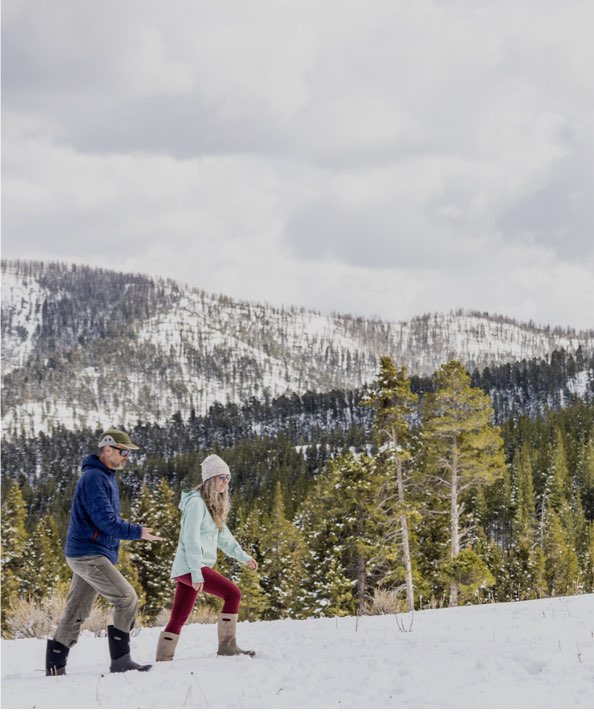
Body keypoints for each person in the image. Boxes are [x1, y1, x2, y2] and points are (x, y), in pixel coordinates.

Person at [45, 428, 164, 676]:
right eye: (123, 452)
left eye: (128, 453)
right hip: (88, 554)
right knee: (126, 598)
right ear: (107, 449)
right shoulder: (94, 479)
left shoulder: (105, 476)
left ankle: (55, 666)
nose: (126, 457)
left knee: (76, 610)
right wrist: (137, 532)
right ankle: (121, 660)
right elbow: (106, 521)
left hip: (88, 552)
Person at [156, 454, 258, 662]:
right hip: (192, 566)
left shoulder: (211, 505)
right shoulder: (196, 504)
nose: (225, 482)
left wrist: (244, 557)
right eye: (221, 477)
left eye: (228, 478)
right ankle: (227, 647)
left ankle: (163, 659)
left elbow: (225, 538)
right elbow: (190, 540)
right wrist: (196, 572)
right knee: (233, 594)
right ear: (210, 479)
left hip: (190, 568)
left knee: (178, 617)